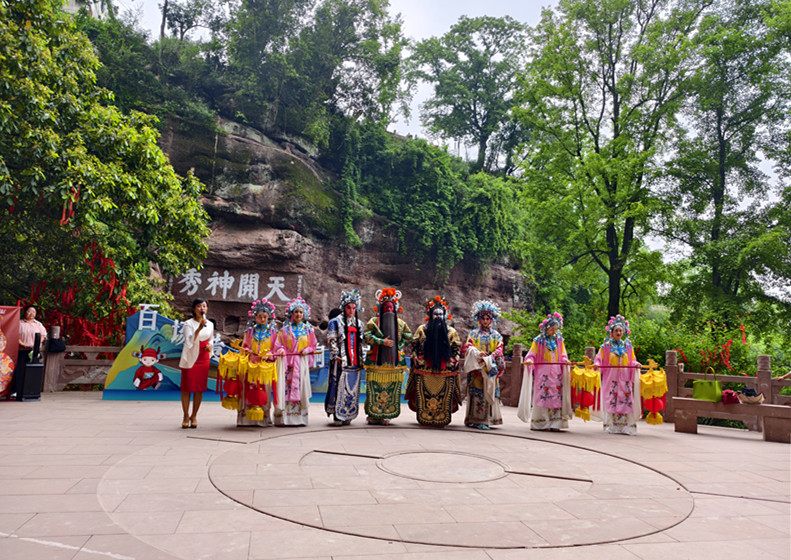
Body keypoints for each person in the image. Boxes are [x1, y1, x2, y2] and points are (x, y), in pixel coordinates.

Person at [406, 296, 462, 427]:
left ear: (445, 316)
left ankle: (441, 417)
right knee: (424, 393)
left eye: (441, 314)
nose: (438, 317)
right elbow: (414, 345)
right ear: (430, 315)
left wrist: (456, 359)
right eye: (435, 314)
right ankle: (425, 416)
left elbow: (456, 348)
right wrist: (415, 356)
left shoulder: (451, 331)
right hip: (424, 367)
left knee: (444, 394)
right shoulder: (422, 329)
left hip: (445, 369)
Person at [363, 288, 412, 425]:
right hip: (376, 362)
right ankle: (373, 414)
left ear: (395, 308)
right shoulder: (374, 322)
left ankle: (386, 413)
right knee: (374, 388)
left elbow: (409, 337)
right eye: (386, 307)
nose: (389, 309)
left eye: (391, 307)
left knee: (391, 389)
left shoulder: (401, 324)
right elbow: (366, 336)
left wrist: (399, 345)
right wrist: (381, 342)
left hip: (394, 363)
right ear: (381, 308)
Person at [517, 312, 573, 431]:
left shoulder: (559, 340)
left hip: (557, 373)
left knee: (556, 397)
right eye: (552, 329)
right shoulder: (538, 341)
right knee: (543, 396)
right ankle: (541, 423)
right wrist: (529, 360)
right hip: (543, 374)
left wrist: (565, 360)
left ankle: (555, 424)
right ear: (546, 328)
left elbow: (563, 354)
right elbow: (532, 354)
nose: (554, 331)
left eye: (556, 329)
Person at [593, 314, 642, 435]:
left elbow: (632, 360)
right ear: (612, 332)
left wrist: (636, 364)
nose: (619, 332)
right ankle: (612, 426)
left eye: (620, 330)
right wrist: (597, 365)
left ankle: (626, 427)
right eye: (616, 330)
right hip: (612, 379)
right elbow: (598, 359)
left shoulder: (627, 346)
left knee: (626, 400)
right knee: (612, 399)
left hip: (625, 379)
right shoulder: (606, 347)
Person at [461, 301, 505, 430]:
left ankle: (489, 419)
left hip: (490, 366)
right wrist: (478, 353)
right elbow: (468, 346)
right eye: (483, 318)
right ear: (479, 319)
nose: (485, 321)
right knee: (477, 392)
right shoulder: (473, 334)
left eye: (488, 319)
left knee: (490, 391)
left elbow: (500, 348)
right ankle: (476, 419)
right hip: (477, 367)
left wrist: (491, 357)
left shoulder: (496, 335)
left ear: (492, 320)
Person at [272, 297, 317, 426]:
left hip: (300, 363)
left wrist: (307, 350)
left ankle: (300, 418)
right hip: (287, 364)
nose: (298, 314)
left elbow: (313, 345)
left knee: (300, 387)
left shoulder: (308, 330)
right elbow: (278, 344)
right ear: (291, 313)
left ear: (304, 314)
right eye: (296, 312)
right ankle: (283, 419)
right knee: (285, 387)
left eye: (301, 312)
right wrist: (280, 350)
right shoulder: (285, 330)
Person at [325, 289, 365, 426]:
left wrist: (361, 358)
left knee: (352, 387)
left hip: (354, 360)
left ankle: (348, 413)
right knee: (337, 385)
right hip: (340, 360)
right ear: (343, 307)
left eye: (354, 308)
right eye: (349, 307)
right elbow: (332, 340)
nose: (352, 310)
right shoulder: (335, 322)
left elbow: (360, 343)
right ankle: (337, 415)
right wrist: (336, 355)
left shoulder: (359, 323)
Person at [240, 298, 279, 426]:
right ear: (255, 317)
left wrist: (269, 355)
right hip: (252, 365)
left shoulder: (273, 332)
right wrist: (247, 351)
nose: (262, 319)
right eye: (260, 317)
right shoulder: (250, 331)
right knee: (250, 389)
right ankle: (247, 417)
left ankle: (265, 415)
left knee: (265, 391)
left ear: (269, 318)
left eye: (265, 317)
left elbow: (277, 348)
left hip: (265, 367)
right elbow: (244, 346)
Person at [179, 299, 214, 429]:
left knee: (199, 388)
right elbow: (189, 341)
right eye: (199, 306)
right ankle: (185, 415)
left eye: (204, 306)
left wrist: (210, 346)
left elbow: (210, 339)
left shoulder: (210, 324)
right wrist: (199, 328)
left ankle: (194, 415)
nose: (202, 308)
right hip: (191, 357)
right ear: (194, 309)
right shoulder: (188, 324)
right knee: (187, 387)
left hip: (204, 357)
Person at [14, 304, 48, 398]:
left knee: (33, 371)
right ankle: (16, 390)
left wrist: (36, 345)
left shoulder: (38, 324)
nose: (31, 314)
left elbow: (43, 336)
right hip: (21, 350)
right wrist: (22, 344)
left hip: (34, 351)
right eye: (29, 311)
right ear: (25, 312)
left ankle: (31, 391)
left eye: (33, 312)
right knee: (19, 370)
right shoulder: (19, 323)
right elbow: (15, 335)